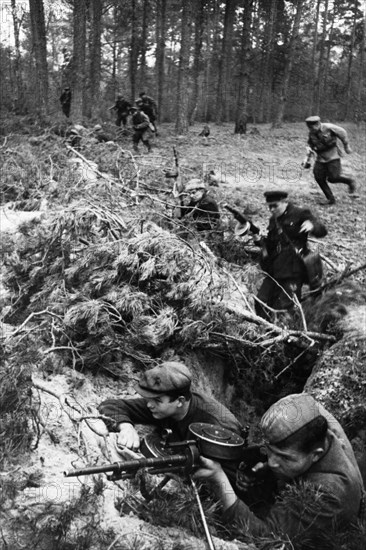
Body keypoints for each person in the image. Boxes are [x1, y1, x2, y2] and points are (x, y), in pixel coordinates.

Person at [193, 393, 365, 547]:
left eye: (285, 458)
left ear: (315, 454)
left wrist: (219, 480)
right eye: (270, 452)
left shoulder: (328, 493)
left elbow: (266, 538)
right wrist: (266, 469)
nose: (273, 462)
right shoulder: (313, 417)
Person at [98, 361, 242, 451]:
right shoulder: (162, 406)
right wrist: (126, 427)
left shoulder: (218, 424)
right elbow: (111, 405)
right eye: (148, 398)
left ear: (179, 401)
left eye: (157, 400)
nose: (149, 404)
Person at [254, 190, 327, 321]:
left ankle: (285, 337)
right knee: (261, 301)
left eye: (274, 205)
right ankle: (264, 330)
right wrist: (257, 239)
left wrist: (312, 225)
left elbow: (322, 230)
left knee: (285, 309)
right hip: (275, 269)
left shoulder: (300, 213)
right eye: (269, 206)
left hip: (293, 271)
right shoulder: (273, 220)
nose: (271, 209)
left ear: (284, 202)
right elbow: (270, 244)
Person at [304, 115, 357, 205]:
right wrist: (307, 159)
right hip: (320, 158)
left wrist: (346, 146)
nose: (311, 130)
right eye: (309, 128)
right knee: (319, 177)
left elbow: (342, 132)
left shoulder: (329, 128)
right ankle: (330, 199)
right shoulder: (311, 133)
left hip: (333, 156)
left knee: (333, 178)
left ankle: (350, 181)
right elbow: (310, 146)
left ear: (318, 124)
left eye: (312, 127)